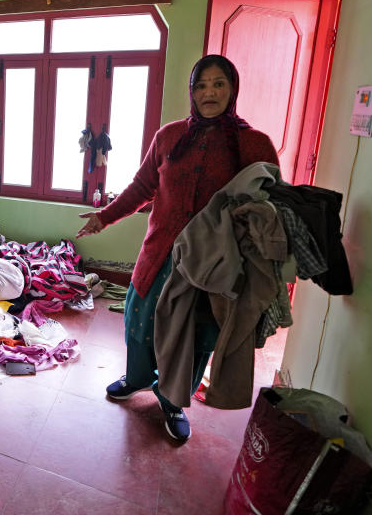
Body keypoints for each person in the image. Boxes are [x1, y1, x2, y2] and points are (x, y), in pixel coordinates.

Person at [77, 54, 278, 443]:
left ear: (232, 89)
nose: (209, 93)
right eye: (201, 85)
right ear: (191, 91)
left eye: (219, 84)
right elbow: (142, 187)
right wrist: (105, 216)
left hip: (210, 266)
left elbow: (271, 203)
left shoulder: (254, 144)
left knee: (195, 335)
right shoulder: (169, 136)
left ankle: (172, 401)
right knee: (138, 322)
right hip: (159, 255)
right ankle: (137, 378)